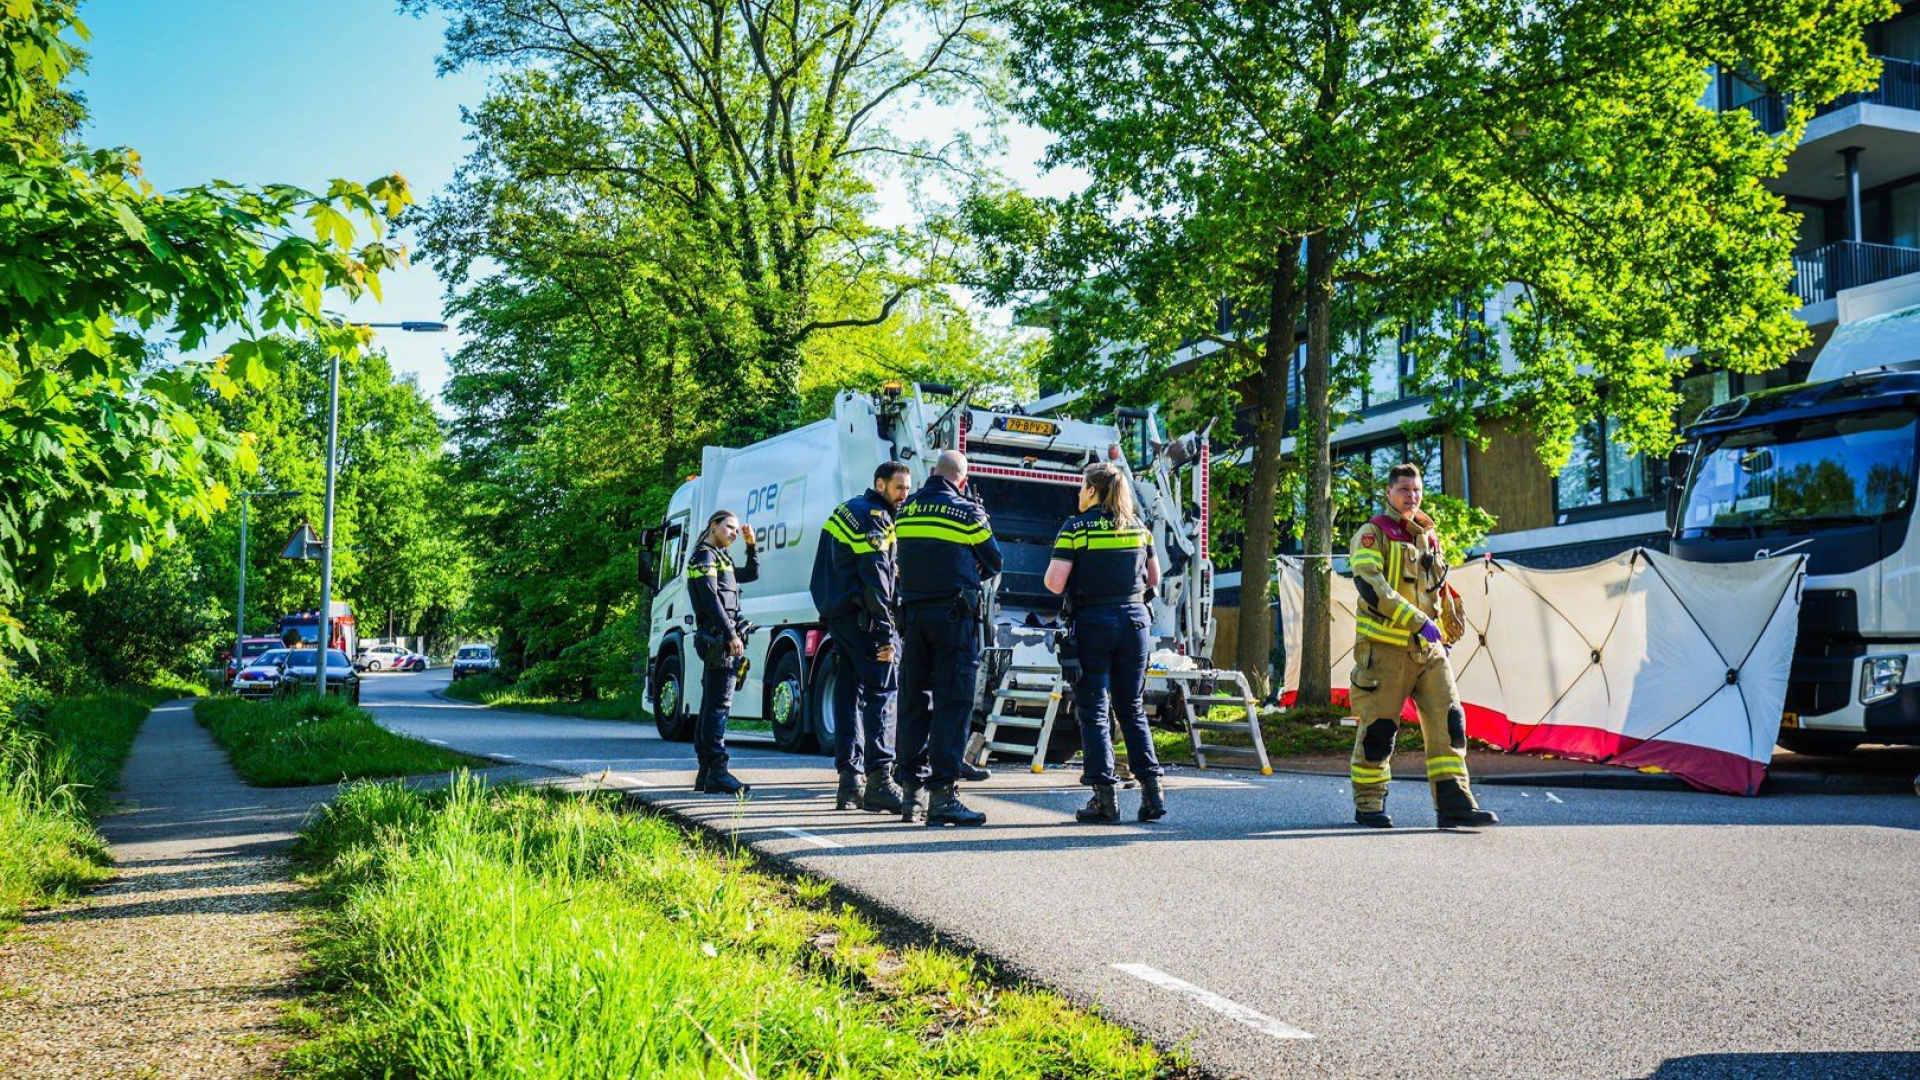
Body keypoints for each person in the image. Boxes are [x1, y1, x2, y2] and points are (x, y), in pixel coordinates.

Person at [1347, 463, 1498, 829]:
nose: (1411, 496)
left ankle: (1454, 801)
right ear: (1389, 493)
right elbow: (1371, 587)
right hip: (1383, 652)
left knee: (1450, 721)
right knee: (1379, 730)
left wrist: (1446, 623)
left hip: (1429, 652)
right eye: (1403, 489)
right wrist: (1418, 620)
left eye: (1415, 490)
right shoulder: (1372, 534)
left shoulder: (1429, 536)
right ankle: (1369, 804)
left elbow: (1438, 587)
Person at [1044, 462, 1167, 823]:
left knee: (1094, 710)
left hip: (1094, 623)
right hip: (1134, 623)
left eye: (1083, 487)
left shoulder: (1074, 528)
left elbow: (1053, 583)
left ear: (1094, 491)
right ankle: (1152, 792)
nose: (1080, 493)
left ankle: (1105, 799)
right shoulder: (1140, 529)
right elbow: (1153, 578)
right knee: (1131, 708)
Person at [892, 449, 1001, 826]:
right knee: (952, 705)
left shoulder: (905, 510)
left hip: (914, 617)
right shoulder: (967, 512)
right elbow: (994, 560)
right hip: (955, 619)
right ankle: (943, 796)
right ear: (963, 480)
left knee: (913, 701)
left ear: (931, 473)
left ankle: (910, 793)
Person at [809, 462, 911, 814]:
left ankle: (849, 782)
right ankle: (881, 779)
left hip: (840, 617)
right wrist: (886, 633)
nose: (904, 495)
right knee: (882, 692)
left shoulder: (846, 510)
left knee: (848, 694)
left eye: (907, 488)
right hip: (865, 621)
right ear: (880, 484)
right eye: (899, 488)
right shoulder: (875, 518)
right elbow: (877, 578)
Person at [686, 509, 759, 796]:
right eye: (729, 527)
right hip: (718, 638)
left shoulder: (721, 557)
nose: (733, 533)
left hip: (720, 636)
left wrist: (751, 545)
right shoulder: (705, 556)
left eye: (736, 529)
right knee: (719, 705)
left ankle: (706, 773)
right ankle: (716, 770)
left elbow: (751, 574)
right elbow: (710, 598)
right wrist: (730, 634)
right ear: (713, 526)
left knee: (711, 704)